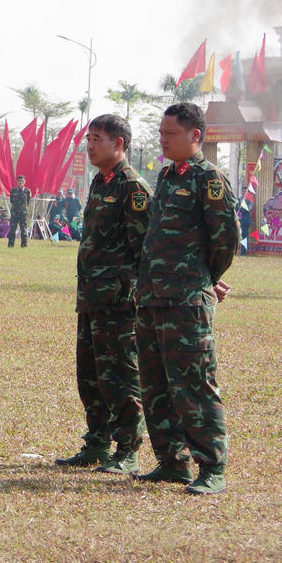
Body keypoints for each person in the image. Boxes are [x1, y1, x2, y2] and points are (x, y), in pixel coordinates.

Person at [135, 103, 238, 494]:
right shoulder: (165, 176)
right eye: (160, 132)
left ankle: (212, 468)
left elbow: (226, 239)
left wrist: (204, 278)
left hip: (186, 301)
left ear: (195, 135)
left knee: (193, 384)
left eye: (170, 133)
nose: (162, 139)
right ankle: (171, 462)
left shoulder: (209, 179)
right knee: (155, 383)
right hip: (151, 297)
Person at [55, 114, 149, 473]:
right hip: (92, 298)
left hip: (119, 303)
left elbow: (144, 250)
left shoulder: (132, 188)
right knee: (90, 374)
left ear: (118, 144)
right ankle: (96, 442)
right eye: (88, 139)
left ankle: (128, 449)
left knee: (120, 375)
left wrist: (134, 297)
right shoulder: (100, 182)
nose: (90, 146)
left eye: (97, 139)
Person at [8, 175, 32, 247]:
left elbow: (28, 201)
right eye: (19, 181)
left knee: (23, 229)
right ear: (17, 182)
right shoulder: (13, 191)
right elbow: (11, 200)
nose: (20, 182)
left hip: (23, 213)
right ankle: (11, 244)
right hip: (14, 212)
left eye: (22, 181)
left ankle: (24, 245)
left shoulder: (27, 191)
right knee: (12, 229)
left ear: (24, 182)